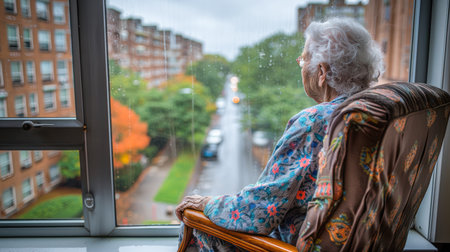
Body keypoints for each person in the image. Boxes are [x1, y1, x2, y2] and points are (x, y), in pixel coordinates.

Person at [176, 17, 384, 251]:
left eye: (303, 60)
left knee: (196, 224)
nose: (301, 66)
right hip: (363, 242)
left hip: (289, 245)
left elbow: (260, 212)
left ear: (322, 72)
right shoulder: (377, 114)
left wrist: (206, 204)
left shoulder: (313, 122)